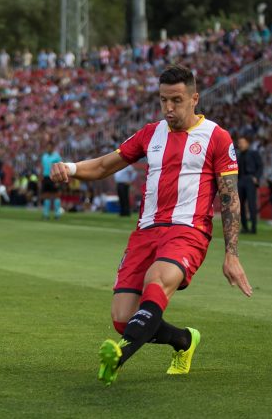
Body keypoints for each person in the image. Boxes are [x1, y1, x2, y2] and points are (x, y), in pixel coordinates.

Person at [50, 64, 252, 386]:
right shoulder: (150, 133)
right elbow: (103, 166)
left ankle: (119, 356)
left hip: (188, 231)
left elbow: (229, 197)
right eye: (163, 100)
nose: (169, 108)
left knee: (157, 279)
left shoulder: (217, 137)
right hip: (146, 231)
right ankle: (184, 341)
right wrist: (70, 167)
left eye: (176, 100)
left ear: (194, 98)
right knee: (122, 317)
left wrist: (232, 253)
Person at [236, 135, 262, 234]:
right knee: (240, 205)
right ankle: (245, 227)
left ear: (247, 143)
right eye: (239, 143)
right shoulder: (238, 155)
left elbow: (260, 166)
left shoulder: (254, 153)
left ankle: (254, 227)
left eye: (242, 142)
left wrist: (256, 177)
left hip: (250, 179)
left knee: (251, 204)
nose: (240, 145)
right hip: (240, 180)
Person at [40, 143, 62, 220]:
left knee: (56, 195)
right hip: (46, 177)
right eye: (47, 147)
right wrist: (41, 178)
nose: (48, 149)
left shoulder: (57, 156)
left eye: (50, 147)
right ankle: (46, 214)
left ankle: (57, 214)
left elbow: (60, 167)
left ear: (52, 148)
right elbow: (42, 167)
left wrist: (59, 180)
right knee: (46, 195)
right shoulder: (44, 156)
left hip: (54, 177)